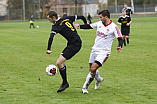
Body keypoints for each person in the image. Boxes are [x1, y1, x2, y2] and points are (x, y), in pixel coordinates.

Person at [74, 10, 123, 94]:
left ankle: (84, 87)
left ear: (106, 17)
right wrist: (79, 26)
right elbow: (89, 26)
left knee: (93, 68)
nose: (99, 19)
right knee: (91, 69)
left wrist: (119, 45)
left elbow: (120, 38)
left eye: (101, 17)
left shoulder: (114, 27)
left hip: (104, 51)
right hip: (95, 49)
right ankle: (99, 79)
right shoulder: (99, 23)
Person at [46, 10, 87, 93]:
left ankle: (65, 83)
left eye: (50, 19)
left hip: (74, 45)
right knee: (60, 63)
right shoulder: (67, 18)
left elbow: (51, 37)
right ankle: (65, 83)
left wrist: (48, 49)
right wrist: (85, 23)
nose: (49, 21)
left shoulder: (56, 26)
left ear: (53, 18)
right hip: (72, 44)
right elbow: (81, 17)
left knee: (59, 63)